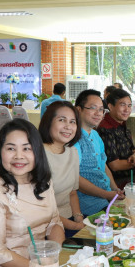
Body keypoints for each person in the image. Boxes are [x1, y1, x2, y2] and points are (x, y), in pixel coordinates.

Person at [0, 118, 64, 266]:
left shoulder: (44, 182)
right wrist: (33, 265)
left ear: (37, 151)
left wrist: (55, 254)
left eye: (26, 148)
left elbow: (54, 223)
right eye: (10, 148)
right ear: (0, 151)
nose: (19, 156)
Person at [74, 89, 124, 216]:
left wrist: (115, 189)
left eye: (101, 109)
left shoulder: (95, 135)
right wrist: (106, 195)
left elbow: (104, 166)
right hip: (87, 204)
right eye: (93, 108)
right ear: (78, 110)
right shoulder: (73, 137)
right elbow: (74, 179)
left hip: (106, 198)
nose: (98, 113)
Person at [39, 101, 85, 237]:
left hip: (69, 219)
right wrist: (76, 226)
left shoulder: (72, 152)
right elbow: (42, 210)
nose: (68, 127)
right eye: (62, 120)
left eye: (73, 122)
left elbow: (72, 193)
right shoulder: (37, 155)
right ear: (48, 122)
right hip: (45, 226)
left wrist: (79, 218)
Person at [97, 89, 135, 188]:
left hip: (134, 176)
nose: (127, 109)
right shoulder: (105, 129)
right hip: (119, 182)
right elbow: (115, 165)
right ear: (110, 106)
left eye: (129, 105)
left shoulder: (122, 124)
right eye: (122, 105)